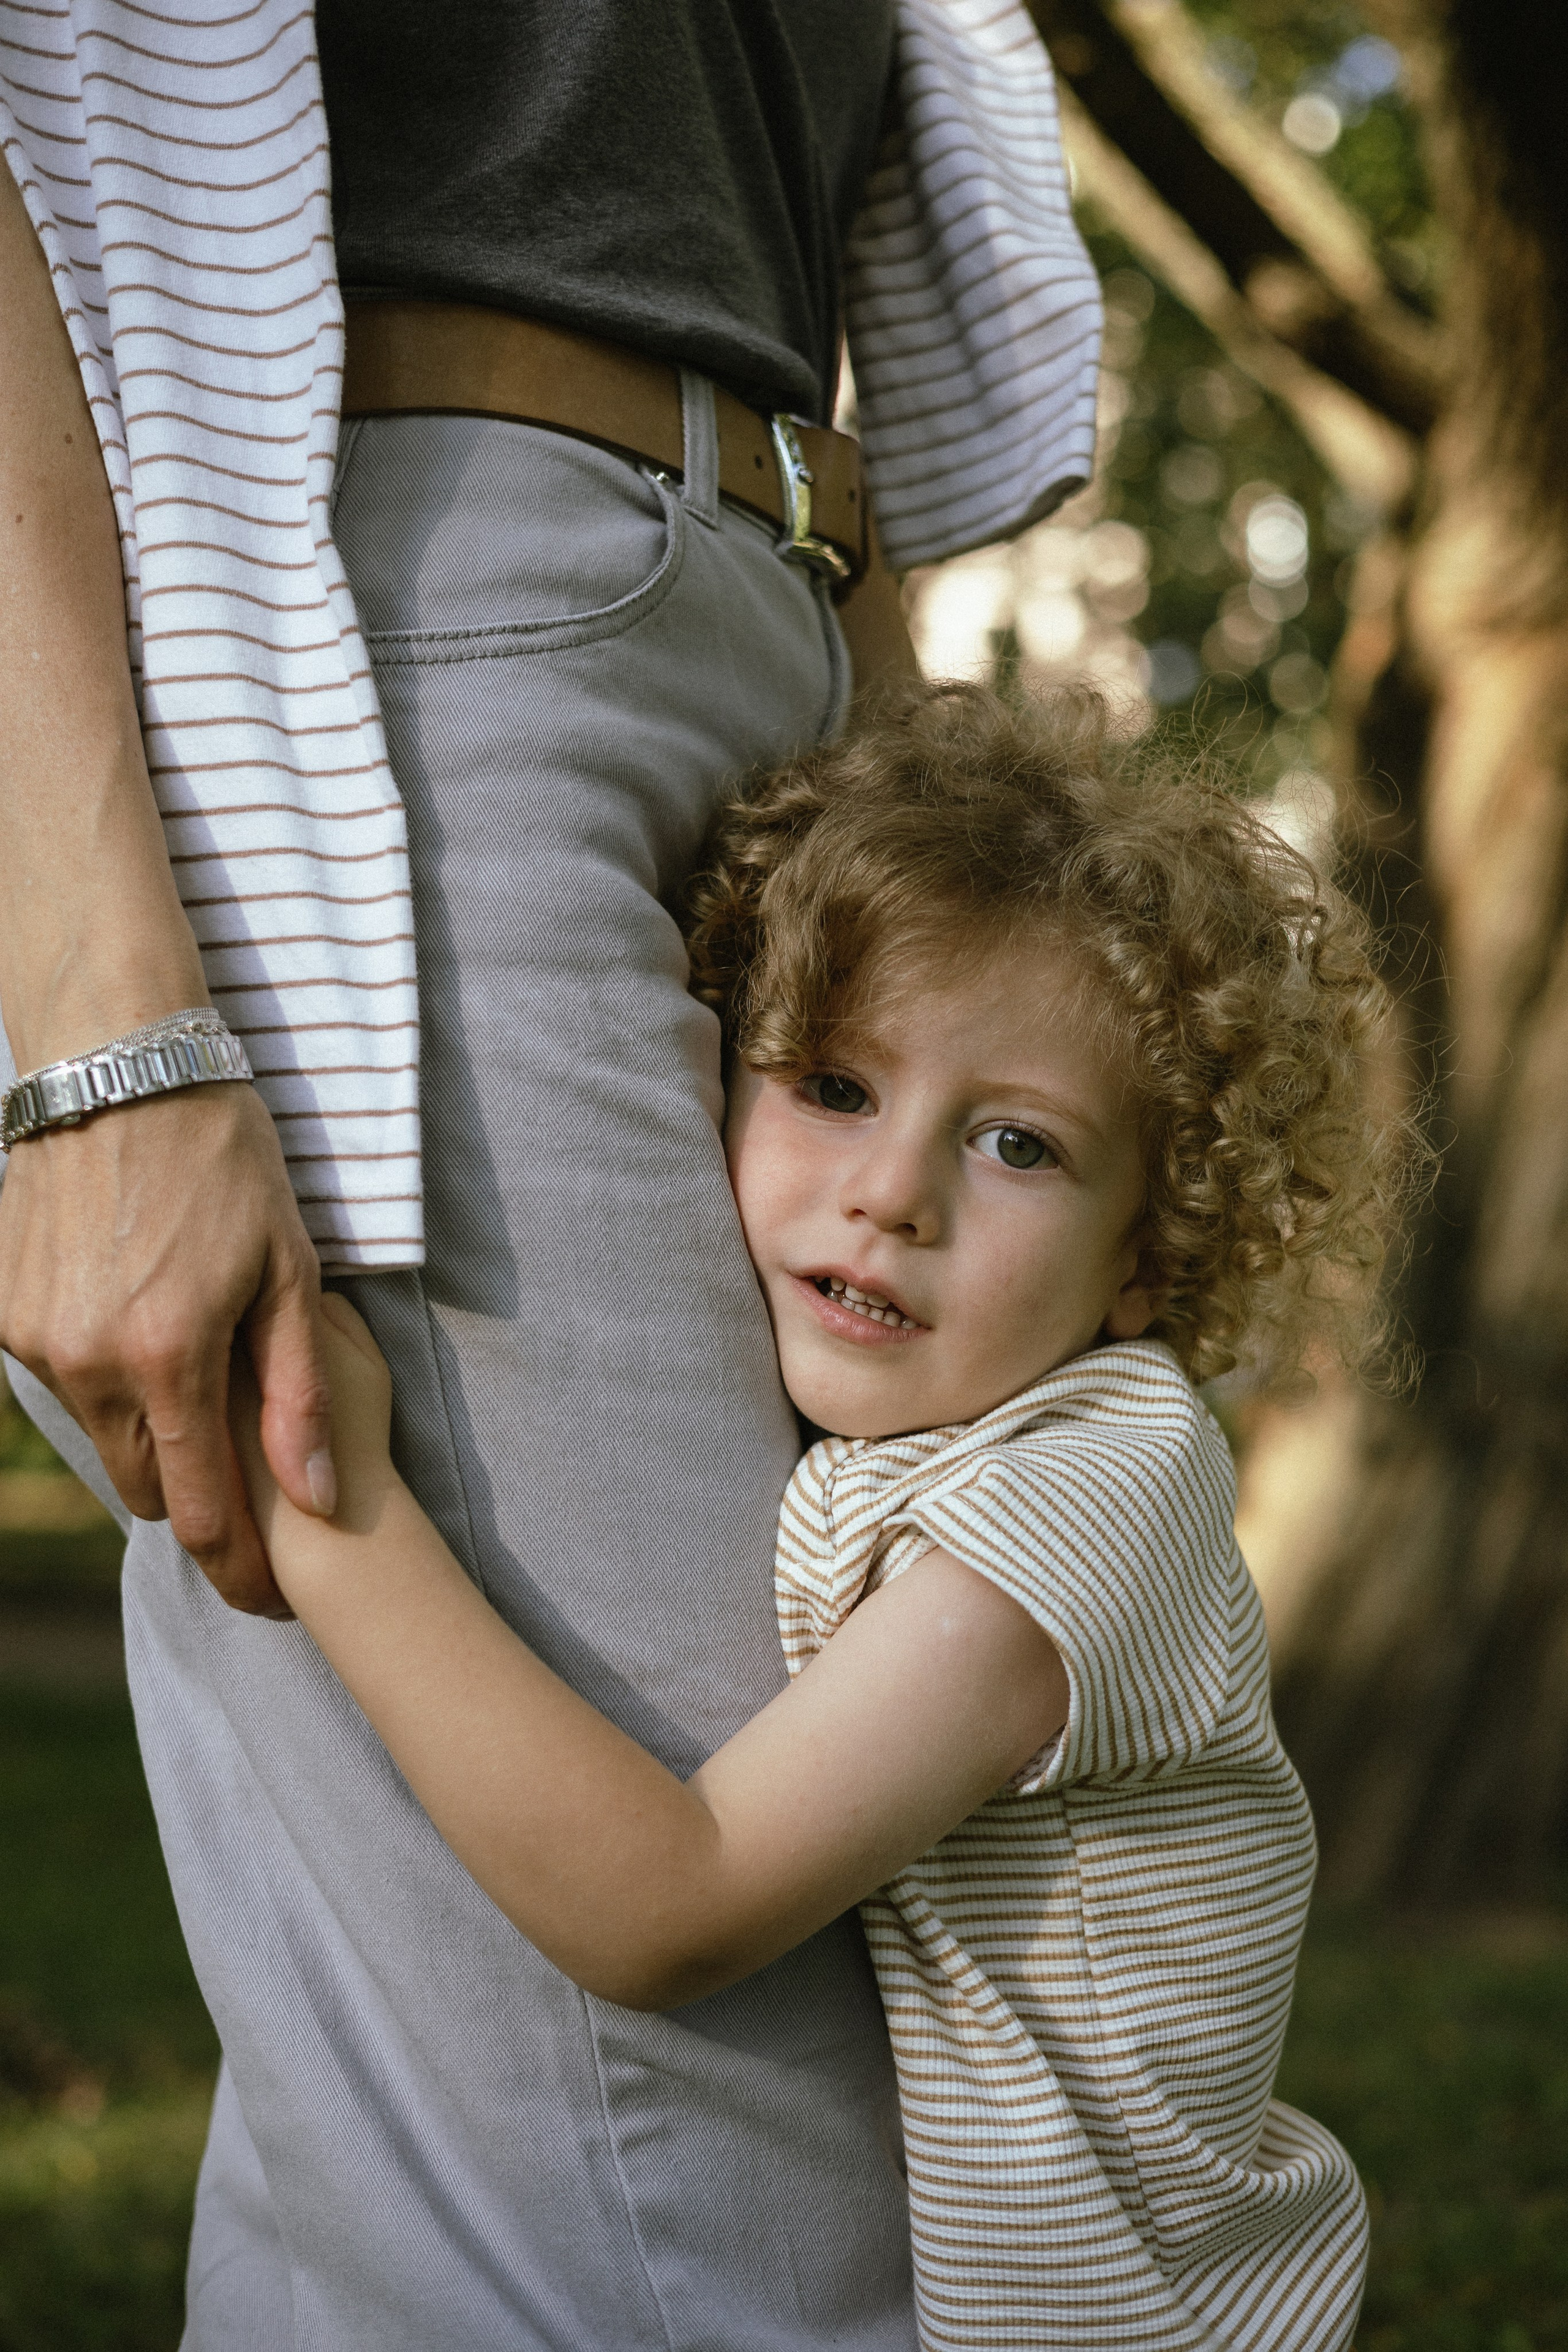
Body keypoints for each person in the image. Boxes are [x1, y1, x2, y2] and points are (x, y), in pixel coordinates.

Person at [0, 6, 1100, 2339]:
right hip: (378, 638)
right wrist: (106, 1033)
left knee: (425, 2179)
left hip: (778, 631)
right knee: (709, 2165)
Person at [235, 684, 1400, 2352]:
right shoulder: (955, 1420)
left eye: (1018, 1144)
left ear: (1148, 1260)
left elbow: (672, 1906)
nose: (893, 1191)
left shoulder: (1094, 1492)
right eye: (837, 1088)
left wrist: (331, 1517)